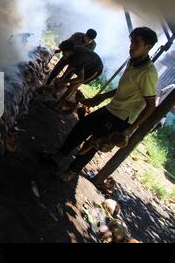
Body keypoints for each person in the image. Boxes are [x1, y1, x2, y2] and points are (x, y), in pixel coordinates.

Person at [44, 27, 159, 182]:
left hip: (122, 118)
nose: (131, 46)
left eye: (137, 43)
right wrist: (101, 97)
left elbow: (151, 105)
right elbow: (126, 87)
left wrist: (129, 130)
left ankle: (70, 172)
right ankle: (57, 157)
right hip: (113, 108)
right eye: (131, 42)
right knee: (82, 126)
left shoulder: (148, 72)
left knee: (94, 143)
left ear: (148, 47)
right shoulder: (133, 62)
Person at [49, 40, 104, 110]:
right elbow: (71, 66)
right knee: (72, 83)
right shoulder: (73, 52)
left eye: (64, 52)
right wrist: (63, 77)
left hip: (94, 70)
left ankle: (58, 105)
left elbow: (80, 78)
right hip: (88, 64)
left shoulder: (78, 58)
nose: (62, 54)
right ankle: (60, 104)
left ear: (69, 51)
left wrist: (64, 82)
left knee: (73, 85)